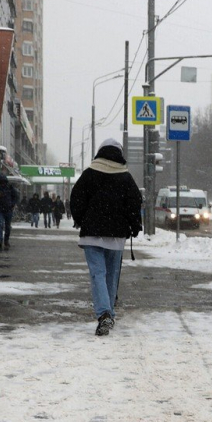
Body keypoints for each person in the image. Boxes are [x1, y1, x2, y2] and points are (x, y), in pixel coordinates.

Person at [70, 138, 142, 336]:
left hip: (92, 234)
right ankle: (108, 313)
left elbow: (76, 197)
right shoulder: (125, 177)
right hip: (117, 235)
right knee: (112, 275)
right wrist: (134, 225)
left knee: (98, 274)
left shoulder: (89, 174)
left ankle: (105, 315)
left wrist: (81, 219)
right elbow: (135, 202)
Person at [0, 174, 20, 250]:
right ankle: (0, 240)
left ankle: (6, 240)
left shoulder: (10, 188)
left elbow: (16, 196)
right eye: (1, 182)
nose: (3, 184)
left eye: (4, 182)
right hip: (0, 209)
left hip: (8, 210)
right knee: (0, 225)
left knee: (7, 226)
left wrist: (12, 204)